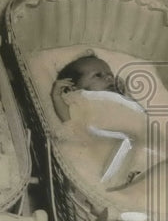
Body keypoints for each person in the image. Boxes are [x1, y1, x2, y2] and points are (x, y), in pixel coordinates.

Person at [50, 53, 160, 189]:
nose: (109, 78)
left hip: (138, 147)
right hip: (104, 143)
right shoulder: (82, 98)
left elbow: (141, 115)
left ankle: (136, 182)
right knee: (124, 146)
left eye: (110, 74)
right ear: (73, 87)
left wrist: (127, 95)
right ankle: (110, 187)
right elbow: (69, 120)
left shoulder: (119, 97)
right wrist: (56, 98)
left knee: (155, 162)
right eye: (98, 75)